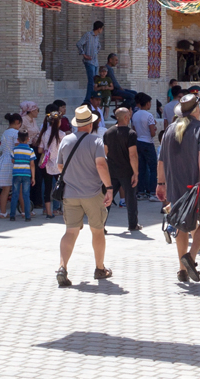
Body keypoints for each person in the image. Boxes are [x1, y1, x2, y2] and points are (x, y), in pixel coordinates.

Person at [55, 105, 115, 287]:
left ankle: (62, 267)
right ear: (90, 123)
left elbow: (60, 166)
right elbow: (101, 166)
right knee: (97, 230)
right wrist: (109, 188)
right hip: (93, 193)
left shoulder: (65, 140)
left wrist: (74, 176)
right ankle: (99, 268)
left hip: (70, 194)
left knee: (70, 231)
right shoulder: (96, 141)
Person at [160, 95, 200, 282]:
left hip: (176, 186)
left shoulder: (168, 130)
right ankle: (190, 257)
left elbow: (161, 160)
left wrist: (161, 184)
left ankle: (182, 269)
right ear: (196, 110)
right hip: (198, 186)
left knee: (181, 226)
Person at [106, 107, 142, 231]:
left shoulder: (108, 132)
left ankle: (100, 224)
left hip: (111, 171)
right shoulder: (131, 133)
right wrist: (136, 173)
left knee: (107, 198)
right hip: (126, 171)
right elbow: (133, 154)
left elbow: (105, 152)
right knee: (131, 198)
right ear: (126, 117)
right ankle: (133, 225)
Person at [11, 114, 38, 221]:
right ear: (28, 139)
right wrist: (33, 177)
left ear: (18, 139)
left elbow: (13, 160)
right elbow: (32, 164)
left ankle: (12, 215)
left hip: (16, 174)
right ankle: (27, 216)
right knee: (26, 195)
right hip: (26, 175)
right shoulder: (30, 151)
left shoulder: (15, 149)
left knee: (15, 195)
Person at [132, 94, 160, 198]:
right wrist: (154, 129)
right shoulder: (149, 116)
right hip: (148, 143)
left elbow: (133, 130)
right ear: (147, 103)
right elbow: (152, 133)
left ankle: (141, 191)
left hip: (138, 142)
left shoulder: (135, 115)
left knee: (141, 168)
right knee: (153, 168)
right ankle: (153, 192)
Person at [79, 21, 104, 102]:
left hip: (95, 62)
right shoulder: (88, 35)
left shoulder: (97, 37)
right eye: (102, 28)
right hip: (89, 62)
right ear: (99, 28)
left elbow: (98, 46)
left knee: (95, 81)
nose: (102, 30)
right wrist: (84, 54)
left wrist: (96, 52)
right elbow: (79, 44)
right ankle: (87, 99)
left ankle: (94, 98)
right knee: (91, 81)